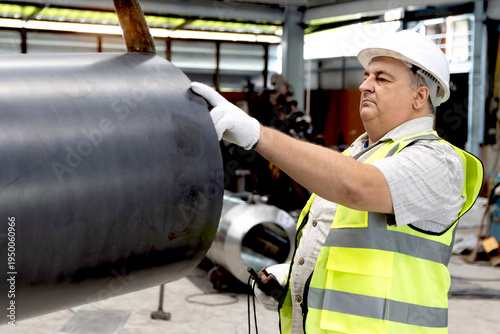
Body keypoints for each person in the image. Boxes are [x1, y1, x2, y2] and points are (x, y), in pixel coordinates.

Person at [190, 29, 484, 334]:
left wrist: (257, 135)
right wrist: (295, 277)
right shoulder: (357, 156)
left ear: (419, 96)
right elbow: (353, 254)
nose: (364, 85)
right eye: (367, 75)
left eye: (381, 79)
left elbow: (359, 187)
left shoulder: (440, 162)